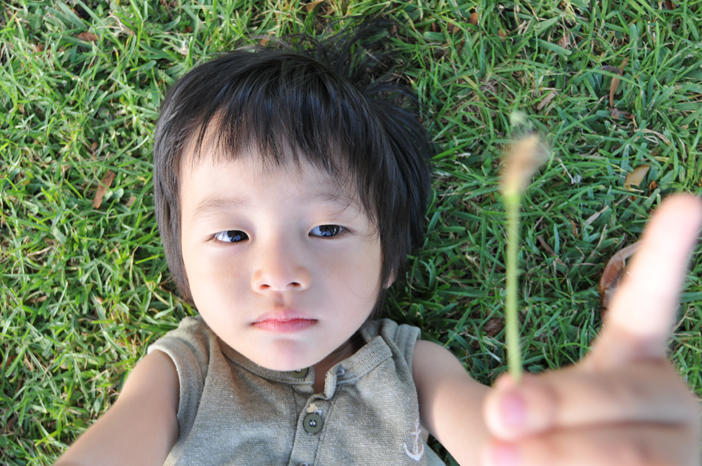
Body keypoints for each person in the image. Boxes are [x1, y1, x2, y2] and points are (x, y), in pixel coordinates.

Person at [55, 22, 701, 466]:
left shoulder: (414, 369)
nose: (279, 272)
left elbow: (491, 440)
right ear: (184, 267)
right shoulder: (182, 374)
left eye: (328, 230)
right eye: (230, 234)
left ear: (389, 256)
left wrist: (558, 446)